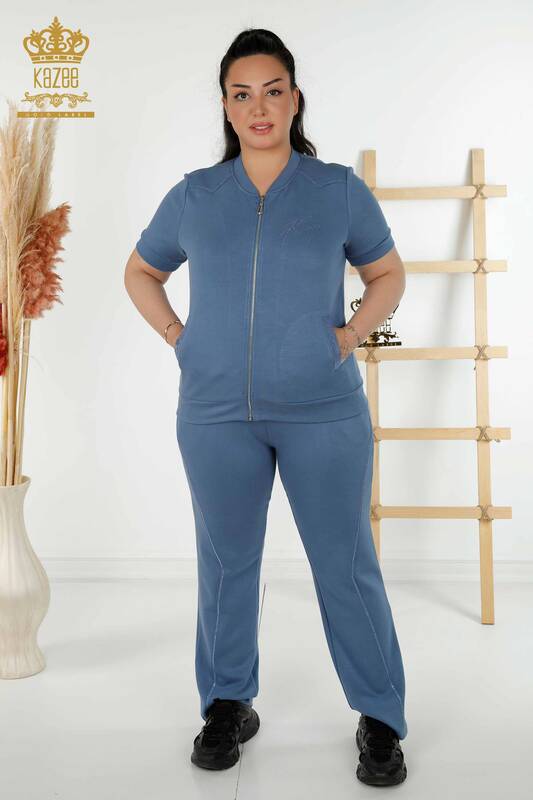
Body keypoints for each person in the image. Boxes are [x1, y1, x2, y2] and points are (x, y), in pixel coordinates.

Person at [125, 27, 408, 787]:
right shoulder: (195, 194)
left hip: (324, 411)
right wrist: (181, 338)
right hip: (216, 413)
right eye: (242, 94)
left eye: (272, 91)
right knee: (225, 564)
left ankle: (380, 716)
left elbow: (386, 273)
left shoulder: (336, 189)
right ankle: (227, 703)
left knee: (345, 564)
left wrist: (347, 336)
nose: (259, 107)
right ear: (225, 106)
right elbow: (141, 272)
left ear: (294, 100)